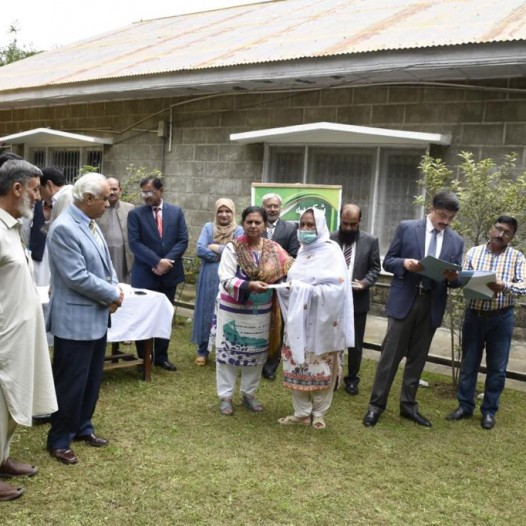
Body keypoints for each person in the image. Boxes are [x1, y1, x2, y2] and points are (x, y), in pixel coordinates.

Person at [363, 191, 464, 428]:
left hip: (431, 305)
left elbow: (456, 279)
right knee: (390, 357)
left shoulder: (456, 241)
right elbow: (389, 261)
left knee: (417, 359)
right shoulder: (407, 228)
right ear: (432, 208)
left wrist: (454, 278)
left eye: (450, 218)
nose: (446, 222)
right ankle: (376, 406)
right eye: (442, 216)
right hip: (405, 301)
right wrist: (405, 264)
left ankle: (408, 406)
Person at [46, 173, 124, 465]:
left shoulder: (91, 223)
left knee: (91, 379)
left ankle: (82, 427)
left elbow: (106, 266)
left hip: (95, 316)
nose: (108, 202)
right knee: (71, 382)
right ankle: (59, 439)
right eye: (104, 197)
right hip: (75, 320)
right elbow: (76, 276)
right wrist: (111, 294)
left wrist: (114, 289)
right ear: (88, 198)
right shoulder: (64, 228)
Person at [0, 159, 57, 501]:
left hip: (20, 335)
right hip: (4, 336)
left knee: (11, 403)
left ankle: (2, 457)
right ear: (17, 188)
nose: (39, 196)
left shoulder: (13, 226)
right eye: (35, 189)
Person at [276, 207, 354, 429]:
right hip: (299, 322)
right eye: (302, 225)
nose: (305, 229)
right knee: (297, 362)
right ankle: (301, 413)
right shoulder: (302, 252)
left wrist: (306, 290)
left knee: (322, 366)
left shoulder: (331, 251)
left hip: (324, 322)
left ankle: (319, 413)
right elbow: (294, 284)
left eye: (311, 225)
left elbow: (338, 288)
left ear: (320, 227)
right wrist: (286, 288)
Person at [447, 216, 526, 430]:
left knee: (497, 368)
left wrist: (505, 286)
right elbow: (462, 279)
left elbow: (524, 285)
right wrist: (454, 278)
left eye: (506, 232)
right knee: (469, 363)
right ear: (491, 229)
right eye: (498, 229)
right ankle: (465, 406)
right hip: (474, 316)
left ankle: (489, 411)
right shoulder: (473, 252)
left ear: (512, 237)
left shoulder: (517, 257)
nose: (500, 234)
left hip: (501, 318)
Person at [215, 206, 293, 416]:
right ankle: (225, 396)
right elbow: (225, 278)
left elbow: (289, 268)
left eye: (258, 222)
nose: (253, 226)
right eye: (249, 222)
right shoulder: (233, 248)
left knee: (256, 353)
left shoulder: (274, 248)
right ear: (243, 223)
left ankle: (249, 394)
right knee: (229, 352)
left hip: (261, 313)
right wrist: (249, 285)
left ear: (265, 225)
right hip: (233, 310)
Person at [128, 177, 188, 371]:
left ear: (161, 190)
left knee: (165, 315)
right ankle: (144, 357)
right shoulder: (135, 214)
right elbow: (135, 243)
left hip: (169, 274)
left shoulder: (176, 212)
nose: (146, 196)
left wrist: (166, 262)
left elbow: (182, 240)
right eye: (144, 192)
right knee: (143, 316)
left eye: (150, 192)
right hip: (145, 274)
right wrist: (156, 262)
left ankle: (162, 357)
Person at [330, 204, 381, 396]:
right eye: (345, 223)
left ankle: (352, 379)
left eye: (353, 224)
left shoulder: (370, 241)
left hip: (357, 299)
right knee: (331, 338)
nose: (348, 228)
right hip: (332, 299)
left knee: (355, 342)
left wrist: (365, 283)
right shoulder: (329, 239)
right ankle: (331, 375)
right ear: (340, 220)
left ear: (360, 221)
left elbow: (375, 268)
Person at [192, 198, 243, 366]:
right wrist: (220, 255)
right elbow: (200, 249)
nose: (224, 214)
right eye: (220, 211)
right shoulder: (208, 227)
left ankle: (228, 351)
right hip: (209, 276)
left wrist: (214, 247)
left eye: (228, 211)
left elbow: (238, 252)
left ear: (233, 212)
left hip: (230, 276)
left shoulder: (239, 230)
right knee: (206, 311)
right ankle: (203, 351)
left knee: (228, 312)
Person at [261, 192, 299, 380]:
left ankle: (271, 365)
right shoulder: (256, 225)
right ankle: (256, 359)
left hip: (279, 286)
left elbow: (293, 256)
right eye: (269, 206)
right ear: (264, 207)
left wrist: (275, 272)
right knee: (260, 321)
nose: (272, 209)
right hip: (258, 284)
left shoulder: (290, 229)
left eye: (276, 206)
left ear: (280, 208)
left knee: (277, 324)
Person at [96, 177, 134, 283]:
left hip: (123, 255)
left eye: (114, 189)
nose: (112, 192)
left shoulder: (130, 208)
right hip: (103, 253)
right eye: (109, 189)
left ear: (120, 190)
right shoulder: (97, 208)